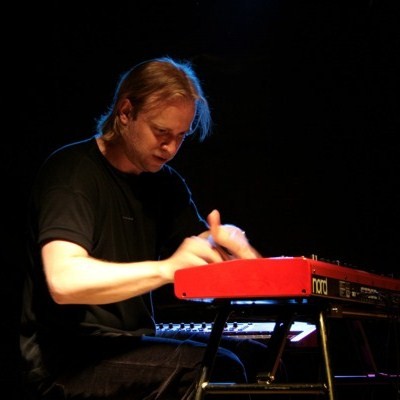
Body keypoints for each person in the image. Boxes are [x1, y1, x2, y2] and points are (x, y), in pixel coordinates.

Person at [20, 56, 267, 400]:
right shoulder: (72, 173)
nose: (171, 148)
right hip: (67, 359)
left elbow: (197, 253)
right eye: (161, 132)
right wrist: (166, 269)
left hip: (126, 343)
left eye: (181, 136)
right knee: (214, 368)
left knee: (260, 357)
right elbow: (65, 281)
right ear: (125, 113)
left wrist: (228, 246)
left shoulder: (164, 183)